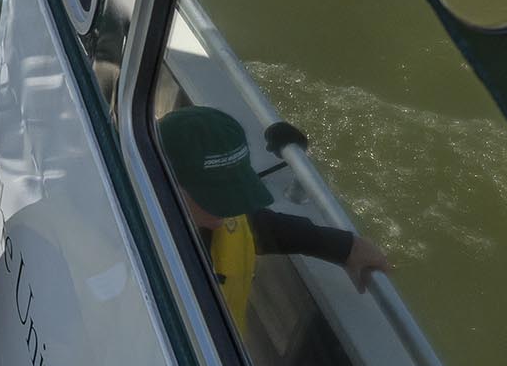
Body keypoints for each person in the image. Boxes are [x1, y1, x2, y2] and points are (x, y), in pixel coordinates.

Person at [156, 105, 391, 330]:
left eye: (231, 197)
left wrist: (345, 246)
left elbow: (256, 226)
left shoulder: (219, 217)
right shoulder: (137, 247)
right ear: (161, 178)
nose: (223, 215)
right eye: (211, 198)